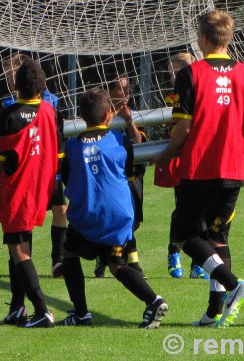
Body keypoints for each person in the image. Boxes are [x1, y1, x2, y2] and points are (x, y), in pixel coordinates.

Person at [152, 9, 244, 327]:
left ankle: (233, 286)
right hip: (233, 168)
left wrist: (165, 154)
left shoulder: (191, 74)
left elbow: (183, 129)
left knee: (186, 236)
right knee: (217, 237)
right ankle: (215, 311)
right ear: (228, 38)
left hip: (200, 167)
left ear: (203, 38)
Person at [59, 88, 168, 328]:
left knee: (69, 253)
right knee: (117, 265)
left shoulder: (72, 147)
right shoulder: (120, 140)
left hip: (89, 216)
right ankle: (153, 300)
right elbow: (131, 172)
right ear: (109, 114)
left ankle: (81, 313)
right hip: (119, 216)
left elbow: (67, 177)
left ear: (80, 116)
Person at [0, 58, 62, 328]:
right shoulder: (49, 111)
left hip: (17, 189)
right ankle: (16, 307)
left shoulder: (7, 116)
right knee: (20, 246)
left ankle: (43, 310)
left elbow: (0, 161)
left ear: (16, 85)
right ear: (42, 87)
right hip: (40, 186)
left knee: (19, 250)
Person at [2, 53, 67, 278]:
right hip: (25, 173)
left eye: (13, 73)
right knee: (24, 220)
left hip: (47, 169)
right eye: (7, 74)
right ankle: (23, 263)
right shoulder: (9, 105)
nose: (10, 78)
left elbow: (58, 133)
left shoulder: (52, 101)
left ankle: (58, 260)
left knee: (61, 209)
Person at [154, 52, 209, 280]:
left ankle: (199, 263)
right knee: (183, 209)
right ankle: (174, 252)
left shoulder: (202, 92)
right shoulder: (172, 97)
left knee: (204, 210)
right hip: (181, 159)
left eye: (177, 71)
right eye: (172, 72)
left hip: (202, 157)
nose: (174, 76)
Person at [93, 75, 146, 278]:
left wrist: (129, 119)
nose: (126, 94)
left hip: (133, 180)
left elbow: (139, 141)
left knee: (134, 222)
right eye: (121, 88)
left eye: (128, 89)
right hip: (113, 181)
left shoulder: (135, 116)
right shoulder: (102, 116)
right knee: (120, 220)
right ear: (109, 92)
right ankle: (131, 265)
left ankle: (108, 258)